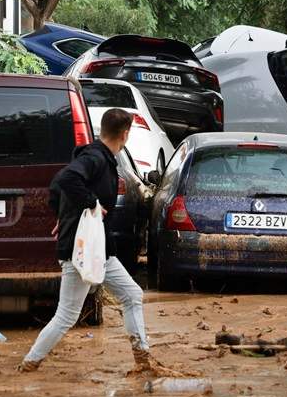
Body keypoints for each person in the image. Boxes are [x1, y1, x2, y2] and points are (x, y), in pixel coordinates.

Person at [19, 108, 174, 374]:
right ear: (124, 134)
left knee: (132, 294)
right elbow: (67, 179)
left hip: (99, 249)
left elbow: (56, 186)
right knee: (67, 315)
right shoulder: (96, 158)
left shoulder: (97, 156)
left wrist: (63, 215)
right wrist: (91, 203)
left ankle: (142, 358)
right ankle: (30, 363)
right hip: (81, 249)